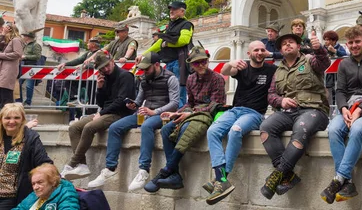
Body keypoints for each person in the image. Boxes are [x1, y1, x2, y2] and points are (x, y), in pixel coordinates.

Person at [87, 52, 179, 191]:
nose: (144, 72)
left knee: (147, 126)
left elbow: (174, 103)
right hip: (144, 113)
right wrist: (133, 105)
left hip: (162, 114)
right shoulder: (144, 79)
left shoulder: (171, 78)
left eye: (147, 69)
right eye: (142, 69)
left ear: (156, 65)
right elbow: (139, 100)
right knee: (115, 127)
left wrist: (155, 111)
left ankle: (143, 169)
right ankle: (110, 167)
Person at [259, 30, 330, 199]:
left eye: (291, 42)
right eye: (283, 44)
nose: (287, 45)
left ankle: (277, 175)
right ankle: (287, 175)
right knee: (266, 127)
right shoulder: (278, 71)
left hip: (314, 110)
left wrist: (319, 48)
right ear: (281, 50)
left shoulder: (310, 60)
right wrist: (280, 101)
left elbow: (324, 62)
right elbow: (271, 95)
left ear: (299, 46)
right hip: (288, 112)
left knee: (301, 128)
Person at [144, 46, 225, 193]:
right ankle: (175, 174)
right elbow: (189, 103)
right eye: (196, 63)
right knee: (166, 129)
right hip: (192, 113)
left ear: (207, 61)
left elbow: (215, 106)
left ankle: (167, 169)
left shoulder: (217, 78)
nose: (200, 65)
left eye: (203, 61)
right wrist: (175, 113)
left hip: (208, 115)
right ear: (191, 65)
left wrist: (190, 113)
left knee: (186, 130)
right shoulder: (191, 79)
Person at [204, 41, 277, 205]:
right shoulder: (242, 68)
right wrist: (231, 62)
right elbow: (225, 71)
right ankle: (220, 178)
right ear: (249, 53)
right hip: (235, 110)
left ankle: (222, 179)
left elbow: (285, 58)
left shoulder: (272, 70)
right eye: (255, 50)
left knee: (235, 131)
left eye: (262, 50)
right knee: (212, 131)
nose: (259, 52)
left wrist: (272, 54)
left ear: (265, 52)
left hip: (255, 113)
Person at [320, 26, 362, 204]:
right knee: (333, 129)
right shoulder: (343, 64)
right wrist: (343, 108)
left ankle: (338, 179)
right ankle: (346, 183)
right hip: (348, 109)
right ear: (346, 45)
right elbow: (340, 91)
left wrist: (360, 110)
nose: (354, 45)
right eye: (351, 43)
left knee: (357, 129)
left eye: (357, 41)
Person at [61, 52, 135, 180]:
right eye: (102, 68)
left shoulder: (125, 76)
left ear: (112, 61)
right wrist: (99, 88)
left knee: (89, 127)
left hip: (120, 113)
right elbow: (101, 103)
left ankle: (72, 163)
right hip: (106, 112)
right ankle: (82, 164)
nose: (106, 69)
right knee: (74, 127)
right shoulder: (104, 77)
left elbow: (121, 101)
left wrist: (101, 113)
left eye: (107, 66)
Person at [140, 0, 194, 108]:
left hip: (179, 63)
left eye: (174, 9)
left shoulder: (187, 24)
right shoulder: (170, 26)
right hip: (169, 63)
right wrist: (144, 55)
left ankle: (179, 117)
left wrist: (167, 44)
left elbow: (184, 40)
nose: (171, 11)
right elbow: (160, 43)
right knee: (171, 94)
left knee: (178, 93)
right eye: (170, 9)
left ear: (182, 11)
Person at [0, 103, 52, 210]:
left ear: (23, 120)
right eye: (7, 118)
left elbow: (45, 164)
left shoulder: (30, 139)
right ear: (1, 120)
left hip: (11, 196)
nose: (11, 121)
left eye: (16, 118)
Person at [14, 163, 79, 210]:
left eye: (40, 182)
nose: (35, 187)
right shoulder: (34, 195)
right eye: (33, 184)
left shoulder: (66, 194)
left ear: (53, 182)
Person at [0, 22, 25, 108]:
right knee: (3, 96)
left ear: (10, 29)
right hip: (5, 70)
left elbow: (17, 54)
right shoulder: (10, 40)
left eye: (5, 28)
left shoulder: (16, 40)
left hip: (9, 70)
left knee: (6, 96)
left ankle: (9, 115)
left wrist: (1, 55)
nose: (3, 29)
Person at [323, 30, 347, 109]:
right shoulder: (323, 49)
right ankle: (329, 108)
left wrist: (335, 51)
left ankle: (337, 108)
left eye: (328, 40)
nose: (326, 42)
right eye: (325, 39)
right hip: (326, 75)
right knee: (328, 91)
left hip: (337, 75)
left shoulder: (340, 47)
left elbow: (345, 55)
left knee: (337, 90)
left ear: (334, 41)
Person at [19, 31, 42, 106]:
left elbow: (37, 56)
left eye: (24, 36)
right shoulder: (25, 45)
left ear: (27, 37)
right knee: (18, 83)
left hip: (31, 67)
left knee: (29, 86)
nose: (23, 37)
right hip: (23, 66)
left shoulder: (36, 45)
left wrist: (25, 56)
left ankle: (28, 102)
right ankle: (19, 101)